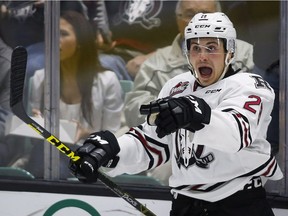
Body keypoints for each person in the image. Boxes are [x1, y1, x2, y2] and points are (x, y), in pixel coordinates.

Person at [69, 12, 283, 216]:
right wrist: (110, 153)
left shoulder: (251, 86)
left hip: (238, 206)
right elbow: (152, 143)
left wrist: (196, 114)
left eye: (212, 47)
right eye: (195, 48)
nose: (202, 56)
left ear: (230, 52)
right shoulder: (176, 87)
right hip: (185, 205)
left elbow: (236, 134)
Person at [124, 0, 254, 128]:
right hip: (170, 140)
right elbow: (133, 107)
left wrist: (199, 115)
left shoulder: (244, 54)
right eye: (190, 14)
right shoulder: (155, 64)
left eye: (206, 14)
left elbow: (251, 109)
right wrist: (167, 114)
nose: (197, 21)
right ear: (177, 19)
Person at [26, 10, 123, 178]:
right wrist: (36, 126)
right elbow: (28, 142)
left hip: (92, 157)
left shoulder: (107, 80)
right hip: (48, 154)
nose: (55, 40)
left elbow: (112, 135)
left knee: (64, 164)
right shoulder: (40, 79)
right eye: (52, 34)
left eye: (63, 34)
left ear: (81, 42)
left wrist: (88, 134)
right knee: (46, 155)